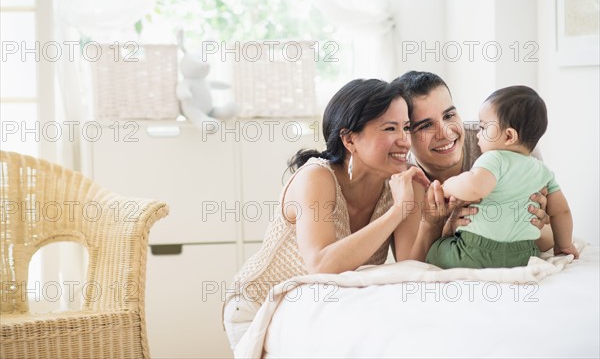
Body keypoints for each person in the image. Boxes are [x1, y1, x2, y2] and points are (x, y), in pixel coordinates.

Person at [222, 78, 432, 350]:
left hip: (319, 306)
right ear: (349, 139)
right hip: (257, 306)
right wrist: (397, 212)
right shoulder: (316, 177)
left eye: (406, 127)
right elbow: (321, 265)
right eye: (390, 128)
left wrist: (433, 221)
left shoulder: (404, 184)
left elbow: (409, 265)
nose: (404, 141)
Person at [389, 71, 554, 259]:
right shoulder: (406, 177)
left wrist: (534, 221)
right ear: (405, 133)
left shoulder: (505, 142)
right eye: (426, 125)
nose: (445, 133)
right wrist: (437, 226)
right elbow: (408, 265)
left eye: (449, 115)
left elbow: (551, 237)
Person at [424, 85, 579, 268]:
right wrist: (564, 245)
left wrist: (447, 186)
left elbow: (475, 187)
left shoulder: (493, 158)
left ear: (508, 136)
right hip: (524, 254)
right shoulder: (543, 171)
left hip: (475, 251)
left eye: (483, 127)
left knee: (436, 249)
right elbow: (561, 212)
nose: (478, 134)